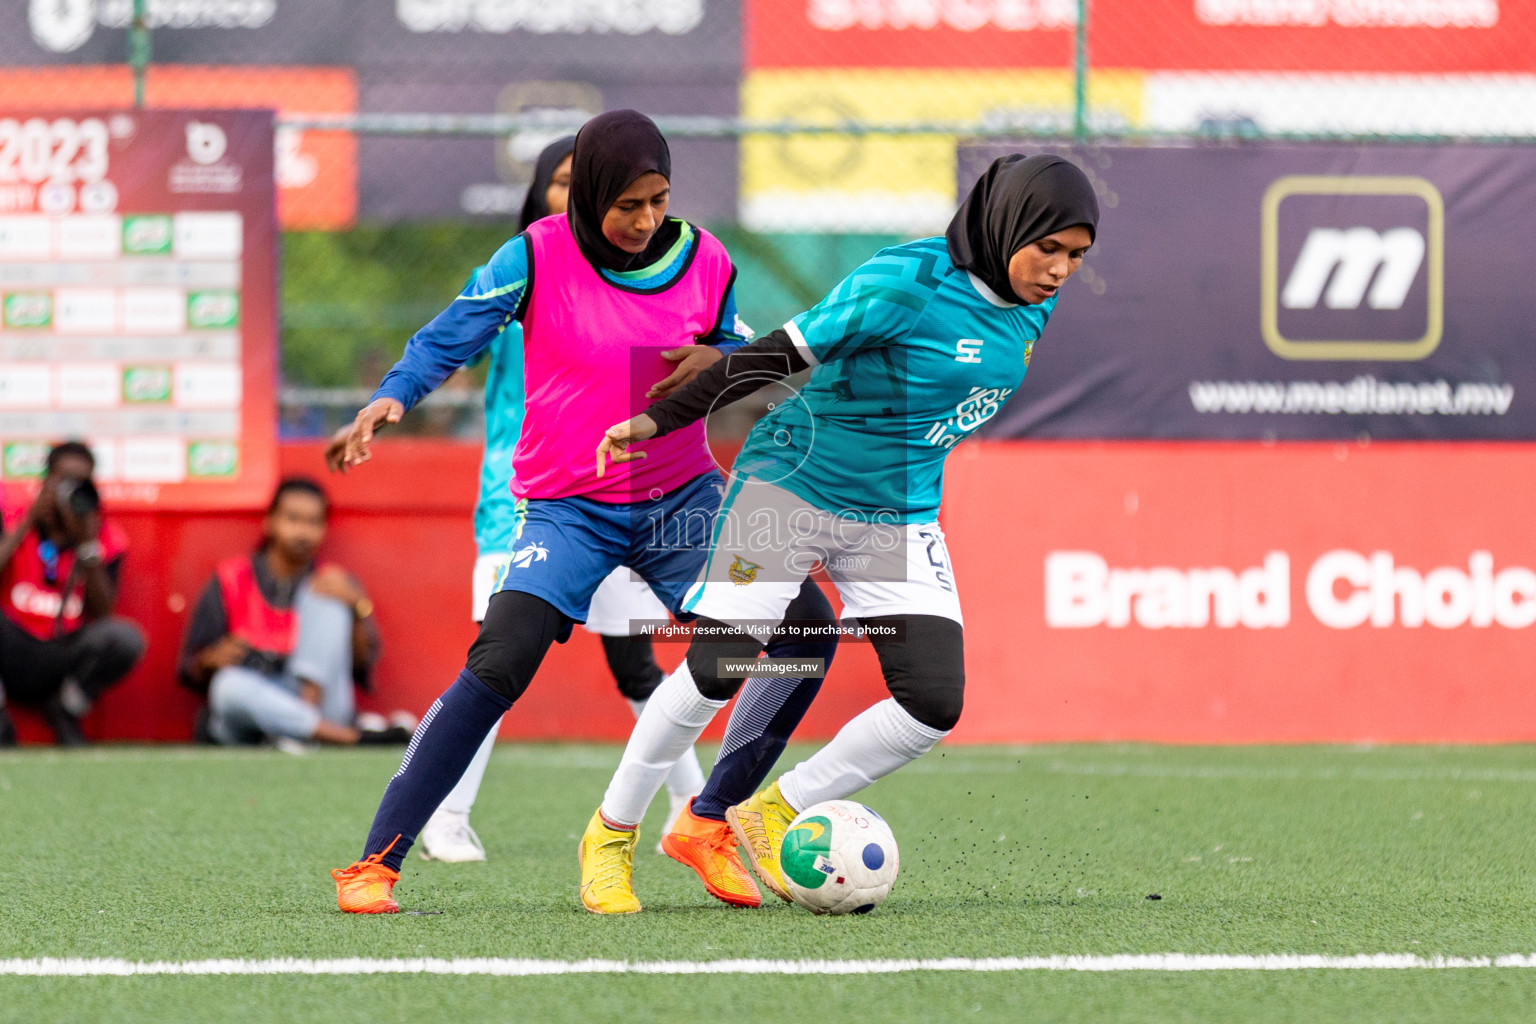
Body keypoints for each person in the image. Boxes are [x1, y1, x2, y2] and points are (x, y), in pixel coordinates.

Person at [327, 110, 837, 915]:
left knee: (806, 628)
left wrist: (726, 361)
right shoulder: (533, 254)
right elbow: (446, 338)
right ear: (591, 192)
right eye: (626, 204)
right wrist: (392, 398)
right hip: (569, 509)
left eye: (658, 200)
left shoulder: (706, 257)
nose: (644, 221)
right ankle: (374, 865)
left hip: (683, 503)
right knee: (500, 662)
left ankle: (705, 822)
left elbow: (743, 355)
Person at [587, 154, 1100, 909]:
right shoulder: (904, 283)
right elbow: (779, 353)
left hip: (895, 511)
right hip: (793, 484)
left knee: (932, 700)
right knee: (722, 666)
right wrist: (662, 416)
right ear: (1005, 225)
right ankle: (610, 834)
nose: (1059, 270)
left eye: (1077, 256)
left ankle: (768, 809)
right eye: (1048, 248)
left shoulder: (1033, 302)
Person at [412, 135, 709, 865]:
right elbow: (451, 352)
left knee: (634, 662)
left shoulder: (642, 277)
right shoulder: (523, 271)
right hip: (523, 496)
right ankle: (446, 816)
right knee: (497, 655)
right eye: (564, 183)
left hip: (625, 490)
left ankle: (690, 808)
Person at [178, 477, 413, 749]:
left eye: (313, 522)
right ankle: (350, 738)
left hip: (320, 704)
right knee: (227, 687)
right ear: (270, 522)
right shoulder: (231, 579)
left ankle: (298, 732)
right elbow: (190, 668)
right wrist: (210, 659)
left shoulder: (333, 583)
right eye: (293, 519)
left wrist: (358, 606)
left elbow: (361, 664)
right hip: (253, 715)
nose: (303, 532)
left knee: (329, 595)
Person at [0, 441, 145, 746]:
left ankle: (65, 711)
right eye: (62, 480)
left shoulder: (104, 538)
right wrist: (30, 519)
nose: (70, 490)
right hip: (12, 644)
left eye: (81, 483)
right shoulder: (12, 520)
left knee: (124, 638)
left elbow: (105, 614)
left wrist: (86, 544)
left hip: (60, 652)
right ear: (45, 481)